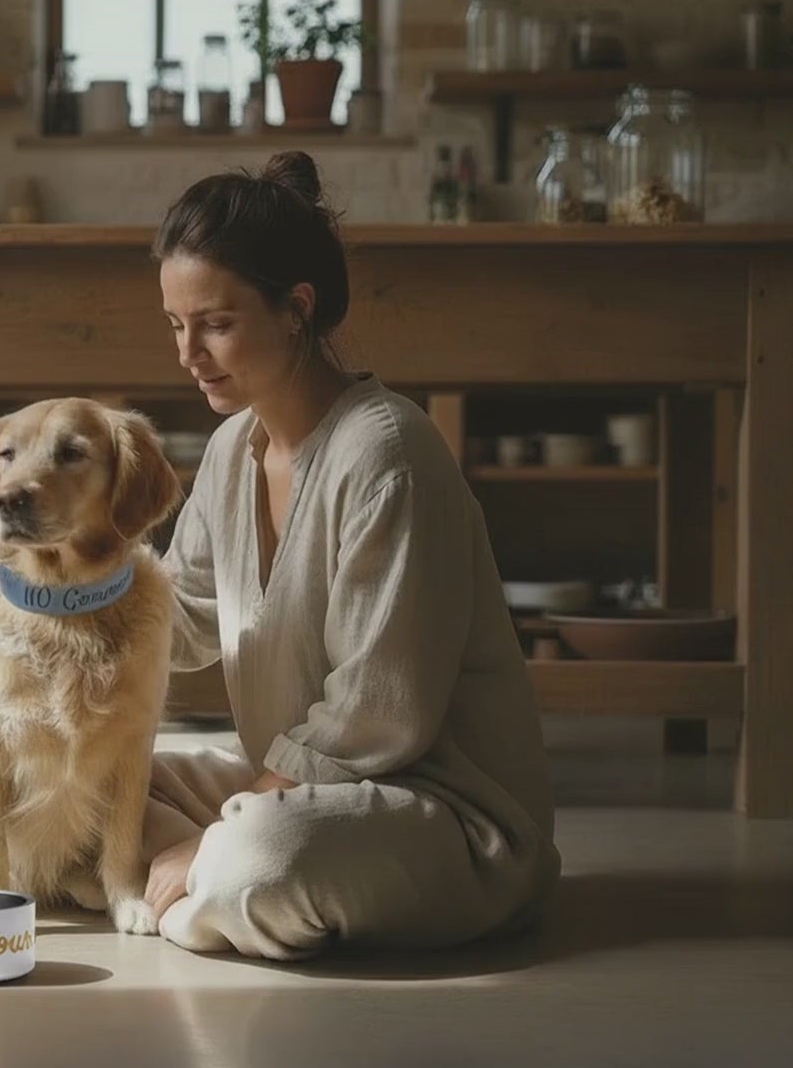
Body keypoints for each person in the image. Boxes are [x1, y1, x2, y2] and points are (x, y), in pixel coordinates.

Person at [141, 150, 560, 960]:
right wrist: (62, 592)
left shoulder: (389, 455)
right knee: (101, 789)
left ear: (296, 309)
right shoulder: (230, 450)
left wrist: (219, 834)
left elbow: (374, 716)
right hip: (300, 789)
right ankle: (194, 887)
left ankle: (191, 885)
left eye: (216, 323)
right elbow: (179, 617)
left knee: (260, 857)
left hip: (442, 815)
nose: (188, 352)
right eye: (175, 324)